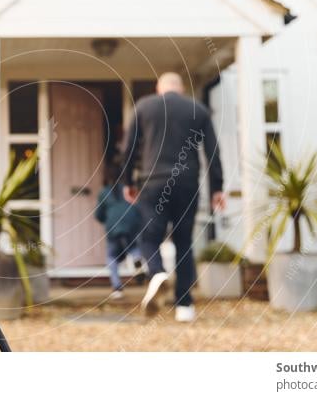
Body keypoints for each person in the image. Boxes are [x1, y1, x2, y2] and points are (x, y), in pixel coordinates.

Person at [122, 72, 225, 322]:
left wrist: (127, 182)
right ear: (180, 89)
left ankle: (157, 273)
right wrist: (217, 188)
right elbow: (212, 150)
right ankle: (185, 306)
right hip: (187, 183)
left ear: (160, 88)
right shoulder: (197, 109)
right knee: (183, 242)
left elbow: (129, 147)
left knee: (149, 238)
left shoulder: (144, 107)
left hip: (153, 181)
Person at [94, 160, 146, 300]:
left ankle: (117, 287)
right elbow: (138, 207)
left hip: (114, 228)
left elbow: (98, 215)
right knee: (133, 246)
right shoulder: (129, 190)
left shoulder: (104, 192)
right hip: (131, 225)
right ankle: (136, 259)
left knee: (112, 257)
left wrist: (107, 220)